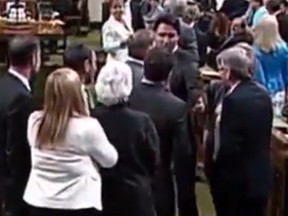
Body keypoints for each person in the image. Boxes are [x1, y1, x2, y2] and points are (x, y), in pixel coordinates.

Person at [24, 68, 118, 216]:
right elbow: (110, 160)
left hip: (39, 200)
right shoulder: (87, 127)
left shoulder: (34, 121)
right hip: (78, 202)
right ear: (77, 95)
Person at [91, 60, 159, 216]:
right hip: (135, 195)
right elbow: (153, 158)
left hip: (101, 192)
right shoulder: (141, 121)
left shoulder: (90, 119)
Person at [130, 47, 192, 216]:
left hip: (128, 180)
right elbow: (183, 154)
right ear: (170, 74)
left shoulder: (129, 97)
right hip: (160, 181)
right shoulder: (177, 107)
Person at [212, 46, 273, 216]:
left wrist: (216, 171)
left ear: (229, 71)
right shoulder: (263, 94)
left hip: (238, 183)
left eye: (221, 69)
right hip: (260, 177)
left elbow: (228, 147)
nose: (219, 74)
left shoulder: (232, 100)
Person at [153, 13, 200, 216]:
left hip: (180, 130)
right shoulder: (150, 57)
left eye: (170, 35)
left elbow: (194, 89)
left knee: (185, 187)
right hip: (155, 130)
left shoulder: (187, 60)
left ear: (178, 37)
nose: (165, 39)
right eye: (162, 34)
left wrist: (195, 102)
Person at [0, 36, 40, 216]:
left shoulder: (3, 85)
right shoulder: (23, 99)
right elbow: (21, 148)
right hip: (13, 185)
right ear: (33, 59)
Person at [253, 15, 288, 116]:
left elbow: (259, 78)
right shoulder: (284, 49)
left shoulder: (257, 52)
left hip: (263, 92)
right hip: (280, 90)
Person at [63, 44, 98, 112]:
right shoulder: (82, 95)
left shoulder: (58, 92)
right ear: (87, 65)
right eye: (94, 63)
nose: (95, 68)